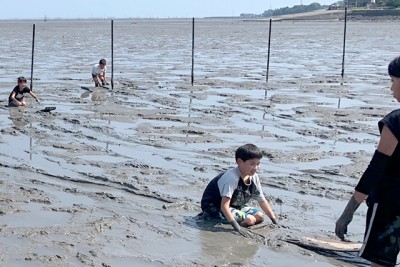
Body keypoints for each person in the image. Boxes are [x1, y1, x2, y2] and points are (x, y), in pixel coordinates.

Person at [335, 56, 400, 267]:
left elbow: (376, 169)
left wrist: (348, 212)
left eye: (393, 81)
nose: (391, 88)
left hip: (390, 205)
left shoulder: (395, 121)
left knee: (380, 262)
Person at [201, 143, 278, 236]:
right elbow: (224, 206)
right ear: (239, 162)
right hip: (214, 207)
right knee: (250, 220)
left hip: (234, 206)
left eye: (258, 164)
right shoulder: (232, 178)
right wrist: (237, 227)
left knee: (260, 216)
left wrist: (274, 221)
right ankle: (212, 218)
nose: (256, 168)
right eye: (252, 164)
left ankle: (236, 219)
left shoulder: (254, 177)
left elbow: (262, 201)